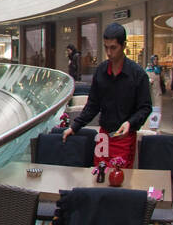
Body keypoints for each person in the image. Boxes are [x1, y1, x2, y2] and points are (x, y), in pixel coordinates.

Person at [62, 22, 152, 168]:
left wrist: (130, 123)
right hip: (104, 135)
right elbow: (93, 105)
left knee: (119, 178)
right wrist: (74, 126)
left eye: (113, 48)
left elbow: (145, 107)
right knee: (99, 173)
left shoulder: (137, 74)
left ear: (123, 45)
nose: (109, 53)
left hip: (124, 137)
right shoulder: (101, 71)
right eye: (106, 47)